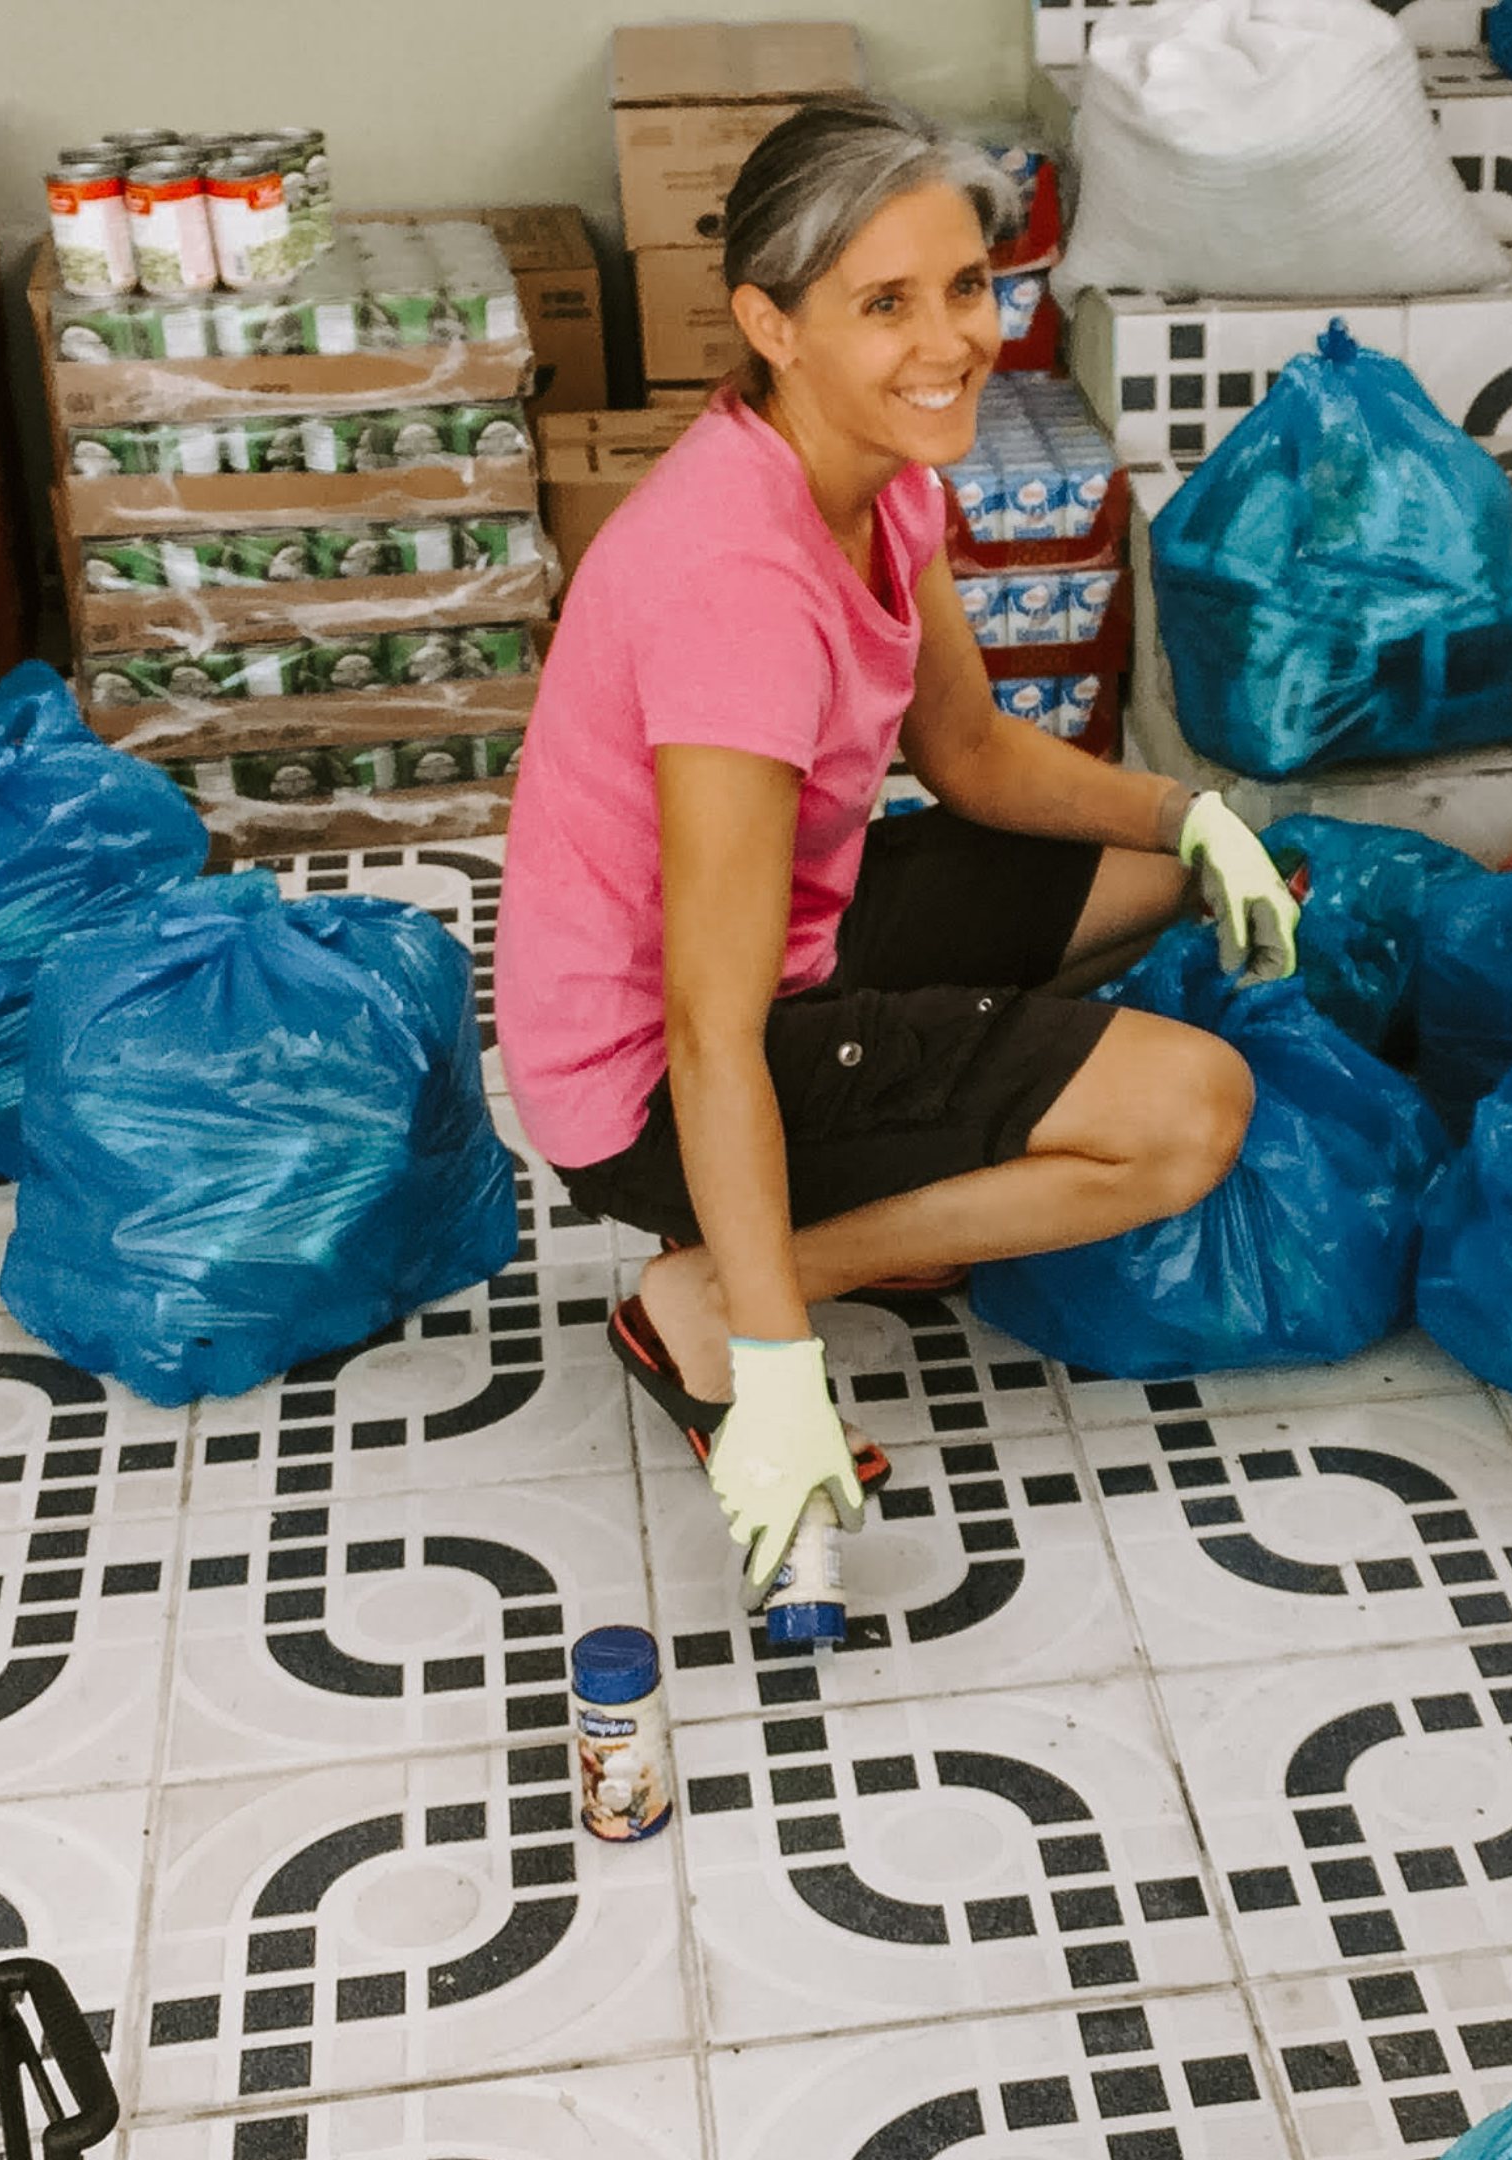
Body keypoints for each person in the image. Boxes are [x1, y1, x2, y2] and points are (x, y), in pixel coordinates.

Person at [499, 98, 1295, 1589]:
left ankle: (843, 1194)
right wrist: (776, 1357)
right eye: (884, 304)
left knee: (1159, 874)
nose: (951, 342)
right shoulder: (735, 582)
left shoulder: (883, 477)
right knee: (1192, 1111)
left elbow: (972, 754)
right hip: (648, 1085)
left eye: (968, 287)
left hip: (787, 954)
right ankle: (715, 1286)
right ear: (771, 322)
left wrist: (1192, 817)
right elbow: (710, 1028)